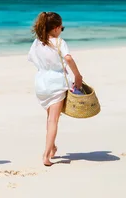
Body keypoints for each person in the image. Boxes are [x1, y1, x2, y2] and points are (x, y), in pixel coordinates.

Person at [27, 11, 84, 166]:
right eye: (61, 28)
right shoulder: (59, 42)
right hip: (56, 83)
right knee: (53, 120)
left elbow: (32, 58)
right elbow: (68, 58)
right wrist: (77, 76)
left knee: (49, 118)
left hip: (41, 83)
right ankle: (46, 155)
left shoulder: (37, 42)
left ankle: (52, 147)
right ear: (57, 28)